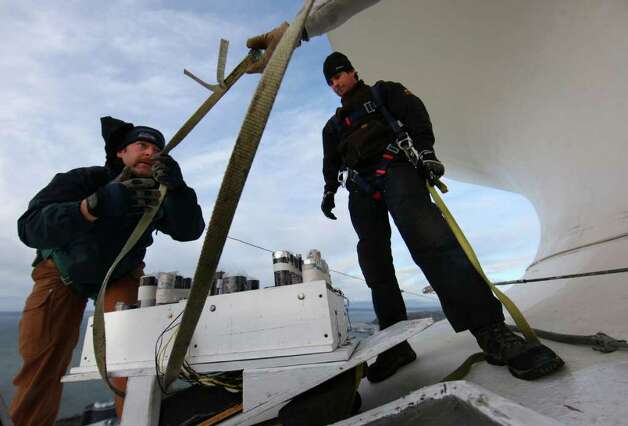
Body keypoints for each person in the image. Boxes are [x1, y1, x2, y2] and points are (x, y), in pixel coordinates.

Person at [319, 52, 564, 383]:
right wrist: (329, 193)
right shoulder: (333, 127)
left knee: (433, 244)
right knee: (375, 267)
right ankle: (396, 345)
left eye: (339, 76)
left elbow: (417, 117)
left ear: (352, 71)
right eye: (331, 81)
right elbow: (331, 164)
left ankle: (492, 332)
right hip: (360, 189)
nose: (336, 84)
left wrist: (427, 155)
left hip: (395, 167)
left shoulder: (384, 93)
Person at [10, 117, 205, 426]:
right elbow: (30, 227)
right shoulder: (84, 180)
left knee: (133, 359)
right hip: (61, 273)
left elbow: (189, 231)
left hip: (120, 275)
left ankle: (136, 419)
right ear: (120, 153)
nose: (150, 153)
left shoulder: (158, 191)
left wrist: (179, 190)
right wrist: (91, 206)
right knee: (43, 360)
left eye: (156, 149)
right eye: (142, 145)